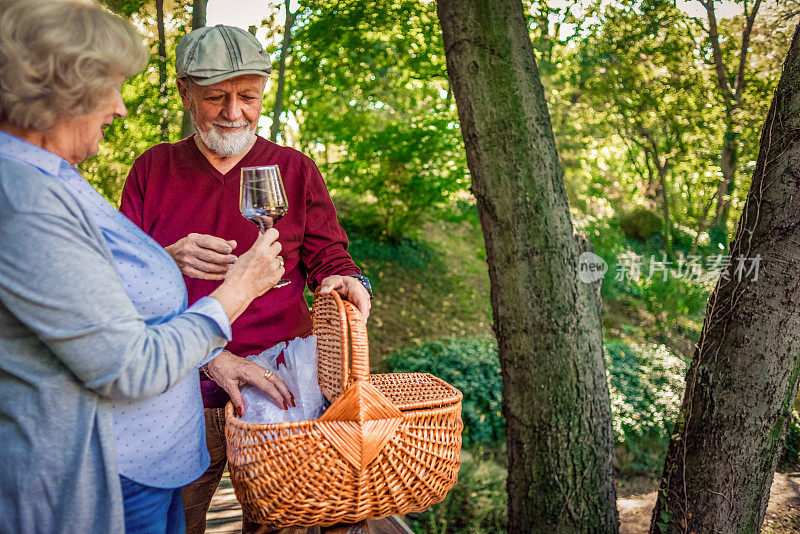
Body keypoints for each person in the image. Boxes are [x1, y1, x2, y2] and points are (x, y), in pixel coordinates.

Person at [0, 2, 292, 533]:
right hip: (107, 473)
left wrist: (164, 260)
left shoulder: (52, 174)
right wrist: (237, 291)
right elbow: (126, 367)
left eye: (248, 96)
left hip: (152, 463)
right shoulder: (22, 193)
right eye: (108, 87)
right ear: (56, 92)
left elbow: (86, 294)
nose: (120, 108)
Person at [119, 25, 373, 533]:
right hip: (182, 395)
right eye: (216, 97)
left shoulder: (295, 169)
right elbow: (124, 285)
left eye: (248, 96)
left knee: (287, 526)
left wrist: (351, 282)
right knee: (175, 522)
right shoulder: (153, 169)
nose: (235, 113)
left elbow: (330, 257)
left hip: (283, 396)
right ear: (184, 93)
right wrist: (167, 259)